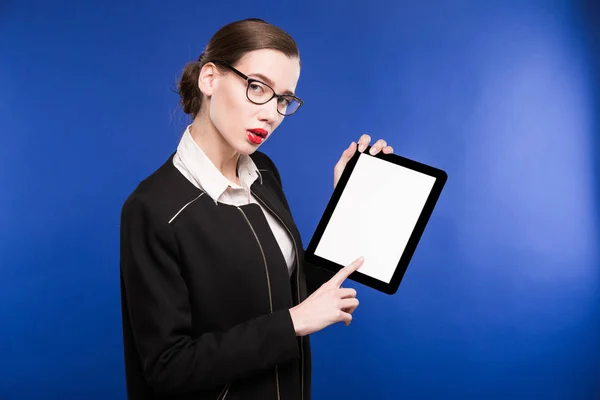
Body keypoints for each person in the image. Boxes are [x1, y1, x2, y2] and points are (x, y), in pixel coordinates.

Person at [119, 18, 394, 400]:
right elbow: (168, 367)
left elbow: (290, 292)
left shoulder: (264, 173)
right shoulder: (152, 209)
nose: (272, 113)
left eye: (283, 99)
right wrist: (292, 324)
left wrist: (345, 204)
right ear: (210, 79)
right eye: (258, 88)